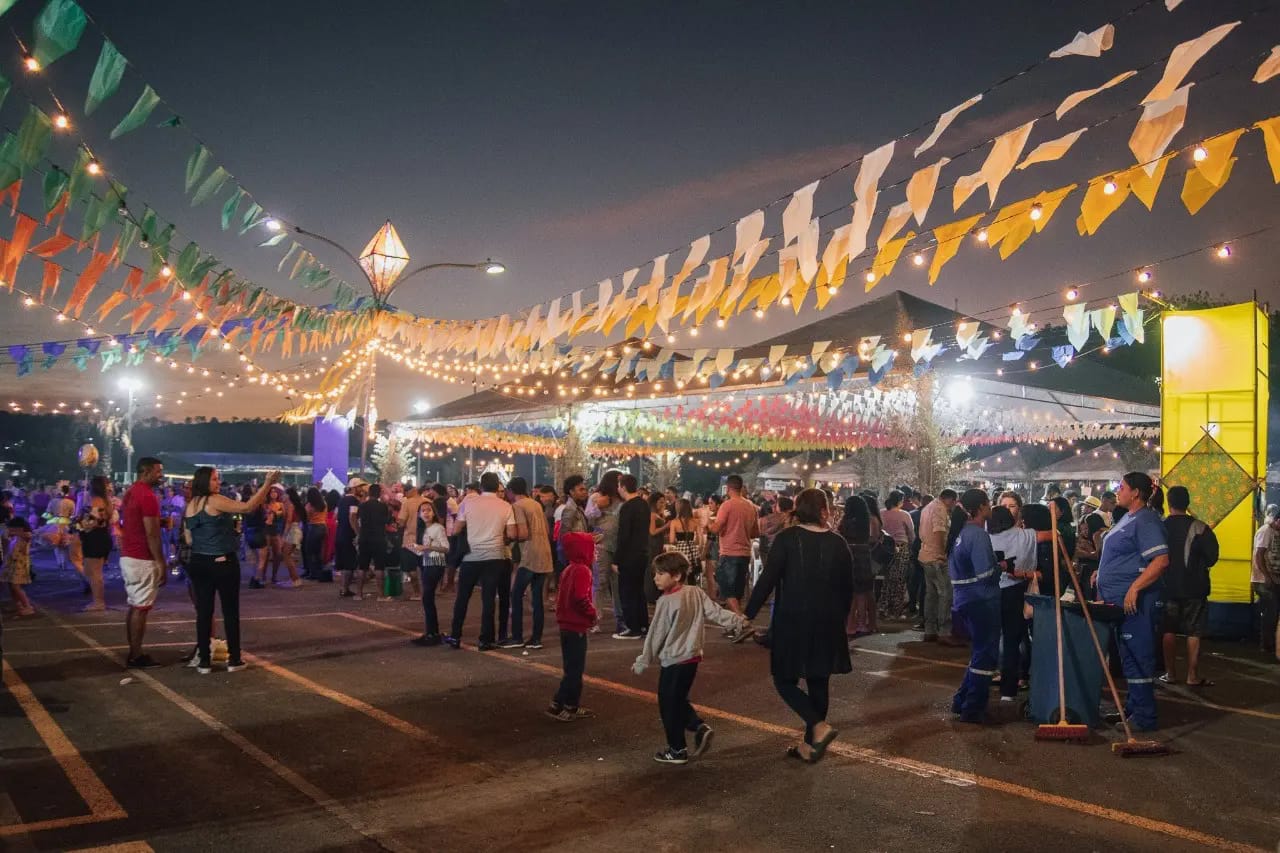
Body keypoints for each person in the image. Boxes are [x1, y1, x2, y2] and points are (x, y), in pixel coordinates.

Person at [745, 488, 852, 763]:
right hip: (828, 619)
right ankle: (811, 743)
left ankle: (817, 726)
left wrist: (748, 613)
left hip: (793, 618)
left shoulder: (787, 539)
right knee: (819, 678)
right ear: (824, 510)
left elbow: (767, 580)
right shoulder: (838, 543)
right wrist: (841, 618)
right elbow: (847, 588)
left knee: (784, 678)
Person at [632, 551, 748, 765]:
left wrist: (643, 660)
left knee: (668, 704)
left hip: (673, 660)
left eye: (660, 573)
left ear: (676, 576)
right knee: (676, 699)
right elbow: (715, 612)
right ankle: (698, 727)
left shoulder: (665, 602)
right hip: (692, 659)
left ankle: (677, 749)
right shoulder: (695, 592)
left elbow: (655, 634)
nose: (655, 578)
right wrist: (737, 620)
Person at [184, 467, 278, 674]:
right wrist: (267, 483)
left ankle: (204, 661)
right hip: (222, 561)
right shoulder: (214, 500)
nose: (218, 482)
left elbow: (189, 538)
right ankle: (234, 659)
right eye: (215, 479)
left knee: (204, 612)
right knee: (230, 611)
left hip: (199, 561)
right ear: (205, 482)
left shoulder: (191, 505)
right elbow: (247, 507)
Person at [1095, 472, 1169, 732]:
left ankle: (1145, 717)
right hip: (1118, 603)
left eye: (1122, 487)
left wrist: (1135, 588)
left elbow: (1160, 561)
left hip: (1136, 603)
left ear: (1136, 492)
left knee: (1139, 657)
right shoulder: (1128, 517)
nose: (1118, 491)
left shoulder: (1146, 520)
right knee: (1127, 658)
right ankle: (1132, 709)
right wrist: (1100, 572)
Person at [948, 489, 1006, 724]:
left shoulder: (961, 533)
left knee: (979, 653)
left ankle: (961, 700)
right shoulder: (978, 535)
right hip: (981, 600)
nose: (991, 507)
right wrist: (1000, 566)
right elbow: (985, 574)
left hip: (964, 600)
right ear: (981, 507)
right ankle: (973, 708)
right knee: (985, 656)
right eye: (989, 504)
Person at [446, 472, 517, 651]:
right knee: (489, 599)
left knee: (463, 597)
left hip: (471, 556)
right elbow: (512, 534)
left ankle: (455, 635)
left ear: (481, 486)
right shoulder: (505, 506)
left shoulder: (468, 503)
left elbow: (456, 530)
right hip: (495, 556)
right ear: (497, 486)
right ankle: (486, 639)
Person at [1160, 485, 1220, 686]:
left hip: (1166, 587)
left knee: (1168, 629)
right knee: (1194, 631)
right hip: (1195, 588)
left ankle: (1170, 673)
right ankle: (1192, 676)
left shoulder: (1160, 527)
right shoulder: (1200, 527)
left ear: (1169, 503)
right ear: (1188, 503)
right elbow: (1212, 558)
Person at [120, 457, 168, 668]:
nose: (161, 475)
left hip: (128, 555)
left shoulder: (132, 491)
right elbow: (152, 534)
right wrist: (161, 562)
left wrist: (161, 522)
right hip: (142, 557)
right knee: (141, 608)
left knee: (134, 606)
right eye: (158, 471)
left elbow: (137, 522)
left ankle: (134, 651)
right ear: (146, 471)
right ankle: (136, 655)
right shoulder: (148, 496)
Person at [987, 505, 1038, 703]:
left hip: (991, 591)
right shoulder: (1025, 536)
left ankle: (981, 682)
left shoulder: (986, 538)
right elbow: (1051, 534)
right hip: (1015, 591)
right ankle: (1008, 690)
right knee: (1011, 642)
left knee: (988, 640)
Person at [548, 531, 597, 721]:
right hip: (575, 626)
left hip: (566, 626)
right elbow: (580, 598)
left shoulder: (569, 568)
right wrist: (592, 614)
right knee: (575, 670)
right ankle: (562, 704)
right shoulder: (583, 570)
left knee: (571, 668)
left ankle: (568, 704)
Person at [708, 474, 759, 631]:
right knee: (736, 591)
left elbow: (716, 529)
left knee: (726, 589)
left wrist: (709, 523)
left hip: (729, 553)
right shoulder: (751, 506)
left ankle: (742, 621)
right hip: (744, 553)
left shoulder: (727, 505)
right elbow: (755, 532)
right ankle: (735, 625)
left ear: (728, 488)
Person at [507, 477, 553, 649]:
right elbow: (547, 530)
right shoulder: (535, 504)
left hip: (530, 554)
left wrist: (508, 537)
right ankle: (536, 638)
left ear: (511, 491)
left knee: (516, 594)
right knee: (537, 598)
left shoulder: (517, 506)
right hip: (544, 552)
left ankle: (517, 636)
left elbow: (523, 534)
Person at [917, 489, 959, 644]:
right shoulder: (939, 509)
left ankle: (930, 630)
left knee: (931, 594)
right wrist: (942, 553)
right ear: (950, 499)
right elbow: (939, 532)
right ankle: (944, 631)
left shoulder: (928, 507)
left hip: (925, 555)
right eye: (953, 502)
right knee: (946, 593)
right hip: (936, 557)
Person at [614, 474, 651, 640]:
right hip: (642, 554)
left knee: (627, 592)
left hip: (629, 556)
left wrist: (616, 559)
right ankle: (643, 625)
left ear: (622, 487)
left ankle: (632, 627)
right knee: (638, 592)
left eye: (618, 486)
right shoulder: (644, 505)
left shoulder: (628, 507)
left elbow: (624, 536)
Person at [409, 499, 451, 646]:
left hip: (436, 565)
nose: (426, 513)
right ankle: (431, 632)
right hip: (427, 564)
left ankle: (432, 634)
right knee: (427, 599)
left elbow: (446, 548)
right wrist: (415, 548)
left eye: (428, 510)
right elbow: (424, 549)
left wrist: (427, 547)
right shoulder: (424, 530)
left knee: (427, 598)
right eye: (423, 511)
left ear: (433, 512)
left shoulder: (438, 528)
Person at [590, 471, 624, 635]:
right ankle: (595, 619)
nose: (620, 485)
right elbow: (587, 517)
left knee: (617, 583)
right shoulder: (597, 497)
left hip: (618, 546)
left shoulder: (622, 501)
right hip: (601, 546)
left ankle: (620, 619)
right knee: (599, 582)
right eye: (618, 481)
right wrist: (598, 507)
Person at [839, 495, 876, 639]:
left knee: (851, 593)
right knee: (862, 592)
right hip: (864, 553)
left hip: (849, 553)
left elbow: (840, 534)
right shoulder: (866, 520)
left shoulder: (846, 521)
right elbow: (872, 538)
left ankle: (850, 625)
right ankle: (862, 624)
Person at [76, 475, 115, 612]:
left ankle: (98, 602)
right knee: (92, 571)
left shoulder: (96, 502)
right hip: (101, 537)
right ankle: (98, 601)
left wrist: (78, 523)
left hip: (95, 538)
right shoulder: (107, 501)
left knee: (94, 573)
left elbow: (91, 523)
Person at [878, 490, 916, 621]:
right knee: (899, 580)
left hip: (885, 550)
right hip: (901, 548)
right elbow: (911, 534)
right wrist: (912, 548)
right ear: (900, 501)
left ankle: (883, 608)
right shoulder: (904, 515)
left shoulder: (881, 513)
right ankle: (896, 611)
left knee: (887, 579)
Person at [1074, 492, 1115, 597]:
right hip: (1088, 569)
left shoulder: (1099, 524)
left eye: (1087, 506)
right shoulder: (1093, 521)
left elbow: (1096, 553)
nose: (1084, 508)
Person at [356, 484, 393, 600]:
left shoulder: (362, 506)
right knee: (379, 567)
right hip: (379, 538)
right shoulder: (383, 506)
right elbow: (387, 521)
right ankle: (381, 595)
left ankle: (359, 594)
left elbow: (357, 519)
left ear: (369, 493)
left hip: (364, 537)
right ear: (379, 494)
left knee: (362, 566)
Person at [1252, 506, 1280, 659]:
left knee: (1272, 612)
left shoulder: (1275, 532)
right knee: (1271, 611)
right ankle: (1266, 646)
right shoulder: (1265, 531)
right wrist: (1267, 576)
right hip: (1262, 580)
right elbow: (1259, 555)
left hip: (1272, 578)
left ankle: (1270, 645)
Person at [336, 478, 368, 598]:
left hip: (340, 533)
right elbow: (352, 517)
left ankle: (343, 588)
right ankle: (344, 589)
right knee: (349, 562)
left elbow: (337, 516)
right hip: (349, 534)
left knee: (344, 562)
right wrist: (358, 533)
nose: (362, 489)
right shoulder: (353, 501)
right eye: (360, 487)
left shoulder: (342, 499)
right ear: (354, 488)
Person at [397, 484, 426, 601]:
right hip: (426, 540)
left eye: (406, 492)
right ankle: (427, 591)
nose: (405, 495)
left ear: (412, 491)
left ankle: (417, 592)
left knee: (411, 569)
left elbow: (402, 522)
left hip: (410, 541)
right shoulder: (428, 501)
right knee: (424, 568)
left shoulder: (407, 503)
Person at [2, 514, 34, 617]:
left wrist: (16, 532)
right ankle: (19, 605)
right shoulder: (15, 536)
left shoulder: (25, 535)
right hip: (11, 564)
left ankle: (28, 607)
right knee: (11, 586)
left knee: (16, 586)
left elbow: (28, 535)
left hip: (19, 564)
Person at [302, 487, 329, 581]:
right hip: (323, 527)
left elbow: (307, 518)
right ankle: (319, 571)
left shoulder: (309, 505)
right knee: (318, 551)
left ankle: (312, 573)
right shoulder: (324, 504)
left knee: (309, 551)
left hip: (314, 527)